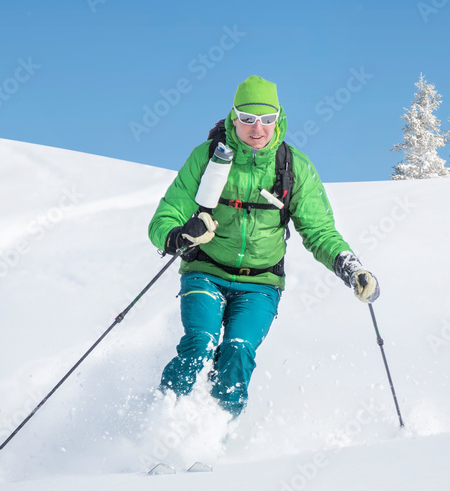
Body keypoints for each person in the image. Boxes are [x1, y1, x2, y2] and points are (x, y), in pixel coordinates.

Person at [148, 75, 379, 417]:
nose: (258, 129)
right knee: (201, 343)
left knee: (238, 350)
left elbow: (319, 231)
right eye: (248, 119)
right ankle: (161, 420)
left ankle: (215, 434)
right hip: (205, 273)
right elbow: (164, 218)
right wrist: (182, 234)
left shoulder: (293, 168)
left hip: (260, 284)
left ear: (279, 118)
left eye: (267, 120)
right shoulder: (207, 158)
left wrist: (350, 267)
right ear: (234, 117)